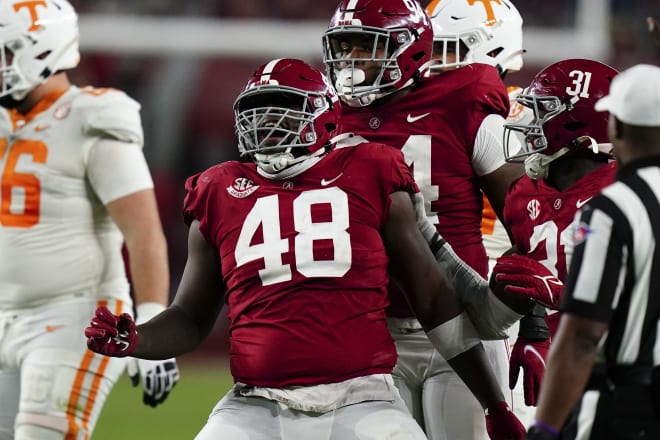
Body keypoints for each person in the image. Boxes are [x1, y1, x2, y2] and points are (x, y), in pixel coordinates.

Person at [85, 58, 526, 440]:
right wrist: (137, 339)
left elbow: (433, 300)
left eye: (281, 112)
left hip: (364, 397)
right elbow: (191, 317)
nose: (266, 125)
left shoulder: (372, 171)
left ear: (326, 120)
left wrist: (494, 403)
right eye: (256, 114)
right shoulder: (218, 190)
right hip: (255, 404)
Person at [322, 0, 525, 438]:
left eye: (364, 47)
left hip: (463, 317)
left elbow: (527, 222)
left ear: (408, 49)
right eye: (345, 47)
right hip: (372, 329)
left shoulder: (464, 103)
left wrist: (536, 326)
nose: (351, 61)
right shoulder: (329, 121)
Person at [0, 1, 179, 439]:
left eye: (5, 52)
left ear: (41, 49)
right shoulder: (7, 123)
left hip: (74, 314)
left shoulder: (91, 116)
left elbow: (144, 234)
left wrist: (153, 328)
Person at [524, 63, 660, 439]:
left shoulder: (612, 207)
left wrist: (545, 428)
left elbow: (583, 335)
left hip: (625, 401)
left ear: (616, 126)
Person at [425, 0, 535, 428]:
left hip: (493, 301)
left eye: (446, 49)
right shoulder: (417, 112)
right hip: (425, 298)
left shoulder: (516, 114)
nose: (433, 63)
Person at [491, 58, 618, 419]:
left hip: (621, 368)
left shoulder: (626, 191)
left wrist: (563, 296)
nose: (530, 123)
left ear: (581, 121)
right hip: (557, 364)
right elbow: (528, 267)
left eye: (544, 110)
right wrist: (532, 328)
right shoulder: (524, 193)